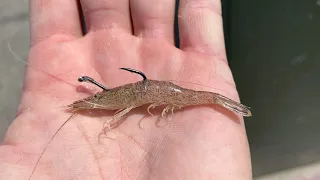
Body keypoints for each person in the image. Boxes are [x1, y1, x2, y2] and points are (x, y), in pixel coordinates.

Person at [0, 0, 252, 179]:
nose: (98, 99)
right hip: (155, 93)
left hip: (170, 95)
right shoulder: (127, 94)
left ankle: (221, 101)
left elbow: (128, 102)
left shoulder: (135, 97)